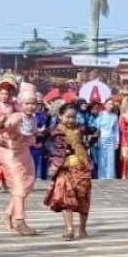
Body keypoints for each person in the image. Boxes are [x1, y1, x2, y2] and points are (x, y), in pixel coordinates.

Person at [0, 82, 39, 235]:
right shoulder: (16, 117)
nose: (31, 106)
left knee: (27, 185)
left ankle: (8, 214)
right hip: (10, 154)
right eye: (27, 103)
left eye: (33, 103)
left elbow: (32, 135)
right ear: (21, 104)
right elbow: (0, 128)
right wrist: (0, 126)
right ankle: (19, 220)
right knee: (19, 187)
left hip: (24, 153)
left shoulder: (32, 119)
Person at [44, 103, 93, 240]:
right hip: (64, 169)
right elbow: (51, 149)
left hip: (81, 168)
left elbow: (93, 136)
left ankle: (82, 229)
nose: (71, 120)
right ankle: (69, 229)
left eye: (73, 117)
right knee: (65, 199)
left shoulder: (81, 130)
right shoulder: (55, 132)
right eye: (68, 117)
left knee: (83, 198)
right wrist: (54, 164)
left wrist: (85, 145)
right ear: (60, 116)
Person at [93, 99, 119, 180]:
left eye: (112, 104)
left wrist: (117, 141)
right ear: (105, 105)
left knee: (111, 159)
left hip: (111, 139)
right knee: (102, 158)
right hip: (102, 139)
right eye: (109, 104)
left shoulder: (114, 116)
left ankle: (110, 176)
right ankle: (102, 176)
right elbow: (97, 127)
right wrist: (97, 139)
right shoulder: (101, 115)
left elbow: (116, 130)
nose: (111, 105)